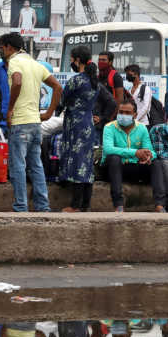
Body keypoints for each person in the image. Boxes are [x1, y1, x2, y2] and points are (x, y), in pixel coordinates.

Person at [0, 31, 62, 212]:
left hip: (20, 122)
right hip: (36, 123)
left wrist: (10, 109)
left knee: (18, 165)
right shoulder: (35, 64)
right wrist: (49, 113)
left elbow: (17, 82)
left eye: (3, 48)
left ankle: (21, 206)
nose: (3, 51)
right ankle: (43, 206)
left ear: (10, 47)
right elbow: (57, 87)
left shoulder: (14, 62)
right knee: (36, 165)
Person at [60, 45, 100, 212]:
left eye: (72, 59)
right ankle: (85, 205)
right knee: (87, 162)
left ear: (77, 60)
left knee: (77, 161)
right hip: (88, 123)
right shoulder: (94, 81)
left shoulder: (76, 80)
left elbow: (62, 100)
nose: (71, 62)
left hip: (75, 123)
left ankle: (75, 205)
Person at [102, 98, 154, 212]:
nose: (123, 115)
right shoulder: (109, 127)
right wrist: (135, 152)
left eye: (127, 113)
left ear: (135, 115)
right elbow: (108, 149)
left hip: (133, 167)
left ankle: (160, 204)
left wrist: (148, 156)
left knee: (158, 163)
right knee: (114, 158)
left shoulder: (142, 128)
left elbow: (150, 150)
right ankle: (118, 205)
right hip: (112, 168)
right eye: (121, 112)